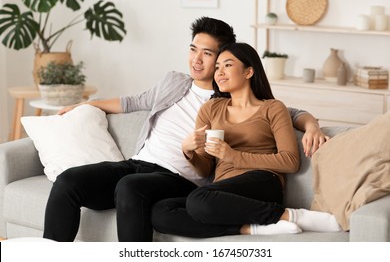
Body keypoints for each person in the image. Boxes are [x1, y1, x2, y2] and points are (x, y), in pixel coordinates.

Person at [43, 17, 328, 242]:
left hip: (177, 179)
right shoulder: (173, 82)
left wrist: (312, 124)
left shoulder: (228, 97)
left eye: (207, 54)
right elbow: (132, 102)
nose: (197, 59)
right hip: (136, 164)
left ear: (223, 59)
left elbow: (285, 112)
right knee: (69, 182)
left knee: (130, 188)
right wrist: (85, 105)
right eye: (193, 49)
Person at [151, 42, 341, 238]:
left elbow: (290, 161)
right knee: (160, 211)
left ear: (249, 71)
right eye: (217, 67)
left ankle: (291, 216)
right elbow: (206, 168)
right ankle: (252, 227)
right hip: (222, 190)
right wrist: (189, 152)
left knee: (198, 199)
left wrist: (233, 156)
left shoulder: (273, 108)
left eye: (228, 65)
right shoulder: (210, 109)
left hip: (263, 181)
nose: (219, 72)